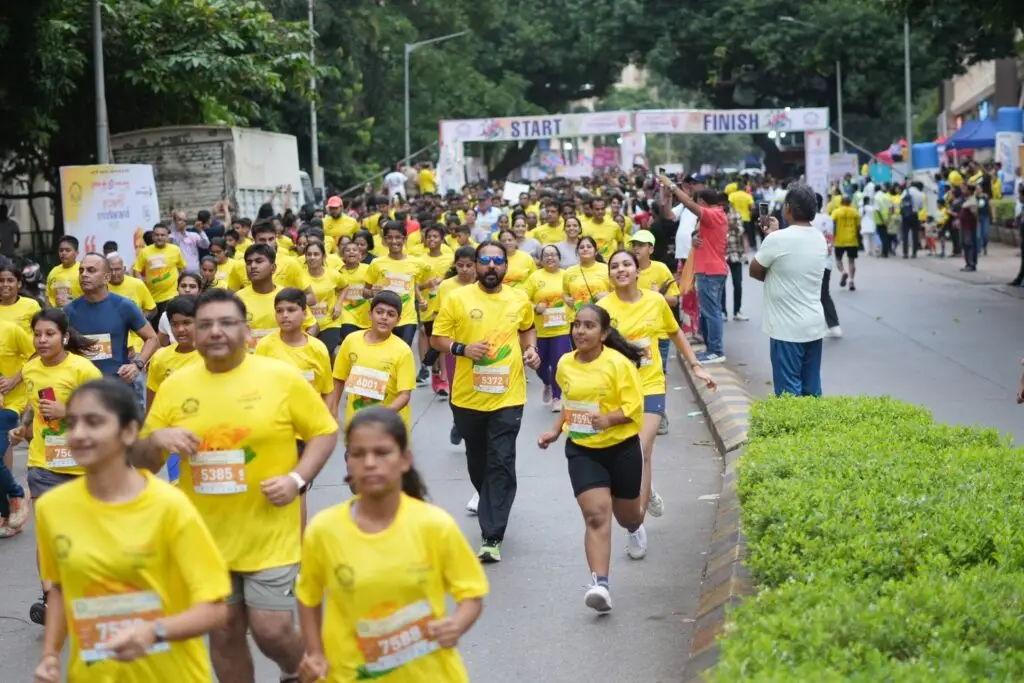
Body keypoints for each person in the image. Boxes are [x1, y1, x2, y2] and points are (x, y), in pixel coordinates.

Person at [132, 287, 340, 683]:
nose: (215, 332)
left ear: (247, 331)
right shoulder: (177, 385)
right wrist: (156, 441)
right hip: (206, 539)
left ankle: (305, 672)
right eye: (205, 324)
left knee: (272, 630)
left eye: (227, 323)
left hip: (270, 533)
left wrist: (298, 478)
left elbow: (324, 432)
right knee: (224, 632)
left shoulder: (280, 378)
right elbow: (144, 461)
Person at [32, 379, 230, 683]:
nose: (79, 434)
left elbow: (215, 609)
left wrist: (154, 631)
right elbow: (58, 588)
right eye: (72, 423)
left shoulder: (171, 507)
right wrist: (49, 656)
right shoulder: (51, 509)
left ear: (129, 432)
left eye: (94, 422)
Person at [296, 407, 487, 683]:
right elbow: (308, 596)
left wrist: (455, 626)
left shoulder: (434, 526)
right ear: (348, 462)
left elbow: (471, 596)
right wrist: (314, 653)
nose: (370, 463)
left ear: (405, 459)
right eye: (358, 454)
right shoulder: (324, 531)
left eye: (382, 452)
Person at [431, 241, 541, 563]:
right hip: (467, 397)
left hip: (509, 396)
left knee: (502, 459)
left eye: (498, 261)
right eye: (485, 261)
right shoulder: (456, 298)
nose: (491, 266)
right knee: (479, 462)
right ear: (475, 265)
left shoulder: (519, 299)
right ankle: (490, 496)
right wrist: (461, 350)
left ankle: (492, 534)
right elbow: (438, 337)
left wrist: (531, 350)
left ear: (506, 265)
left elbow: (528, 329)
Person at [537, 305, 645, 612]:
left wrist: (608, 420)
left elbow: (633, 409)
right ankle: (601, 585)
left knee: (628, 516)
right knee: (596, 515)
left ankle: (636, 528)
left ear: (604, 334)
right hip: (583, 449)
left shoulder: (619, 364)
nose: (580, 331)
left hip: (621, 448)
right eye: (576, 325)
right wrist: (556, 430)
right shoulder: (564, 363)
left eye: (589, 326)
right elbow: (570, 403)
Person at [599, 249, 715, 528]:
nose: (621, 269)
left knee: (641, 449)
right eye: (615, 266)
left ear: (638, 271)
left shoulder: (656, 302)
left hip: (650, 385)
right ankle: (644, 490)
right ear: (610, 275)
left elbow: (674, 331)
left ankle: (636, 523)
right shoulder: (603, 308)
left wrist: (696, 364)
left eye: (627, 264)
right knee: (622, 453)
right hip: (617, 391)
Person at [13, 308, 103, 623]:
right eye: (37, 334)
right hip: (44, 464)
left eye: (49, 334)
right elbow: (29, 405)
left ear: (64, 336)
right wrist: (22, 426)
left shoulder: (83, 370)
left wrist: (68, 410)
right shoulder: (32, 368)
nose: (42, 340)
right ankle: (51, 598)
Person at [749, 183, 827, 397]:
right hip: (813, 324)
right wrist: (774, 234)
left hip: (787, 329)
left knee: (789, 394)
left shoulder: (777, 239)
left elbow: (755, 270)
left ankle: (794, 431)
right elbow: (792, 261)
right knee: (812, 389)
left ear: (789, 209)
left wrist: (772, 235)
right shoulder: (819, 238)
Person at [661, 176, 728, 364]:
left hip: (710, 271)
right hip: (710, 270)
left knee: (712, 311)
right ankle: (711, 349)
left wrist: (672, 186)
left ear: (702, 203)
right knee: (708, 311)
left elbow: (689, 204)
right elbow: (699, 235)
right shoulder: (716, 216)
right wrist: (693, 238)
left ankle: (716, 351)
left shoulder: (712, 214)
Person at [66, 252, 161, 383]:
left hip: (117, 384)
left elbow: (152, 338)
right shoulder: (69, 310)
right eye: (81, 270)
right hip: (83, 386)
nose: (84, 275)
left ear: (106, 278)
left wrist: (137, 365)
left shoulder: (124, 306)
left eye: (91, 270)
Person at [329, 291, 416, 433]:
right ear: (370, 314)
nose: (384, 318)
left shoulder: (403, 351)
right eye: (379, 312)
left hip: (389, 429)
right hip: (357, 426)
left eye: (391, 314)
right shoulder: (352, 341)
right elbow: (338, 378)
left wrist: (384, 415)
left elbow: (405, 395)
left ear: (398, 320)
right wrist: (332, 410)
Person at [236, 244, 318, 352]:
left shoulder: (287, 295)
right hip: (251, 363)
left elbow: (313, 325)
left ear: (273, 268)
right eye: (249, 262)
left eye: (259, 261)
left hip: (284, 361)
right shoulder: (236, 300)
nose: (253, 266)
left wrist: (301, 347)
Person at [435, 246, 477, 447]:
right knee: (456, 389)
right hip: (454, 346)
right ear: (454, 265)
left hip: (480, 344)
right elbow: (440, 318)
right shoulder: (446, 286)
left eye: (469, 265)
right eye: (461, 265)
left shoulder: (483, 284)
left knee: (479, 387)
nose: (465, 270)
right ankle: (458, 422)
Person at [363, 221, 428, 348]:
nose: (394, 241)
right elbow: (365, 292)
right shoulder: (377, 263)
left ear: (405, 239)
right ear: (385, 240)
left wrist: (421, 300)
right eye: (390, 237)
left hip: (408, 319)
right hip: (384, 319)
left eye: (398, 237)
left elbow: (412, 284)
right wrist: (372, 293)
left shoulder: (417, 263)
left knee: (402, 352)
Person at [525, 245, 571, 412]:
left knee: (558, 363)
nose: (550, 258)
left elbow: (575, 296)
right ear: (540, 259)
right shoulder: (534, 277)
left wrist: (572, 302)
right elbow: (524, 300)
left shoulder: (567, 275)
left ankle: (557, 397)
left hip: (562, 329)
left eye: (554, 254)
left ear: (559, 258)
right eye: (546, 255)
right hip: (540, 330)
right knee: (539, 365)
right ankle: (548, 383)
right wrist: (535, 307)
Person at [0, 319, 34, 537]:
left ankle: (16, 493)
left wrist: (14, 379)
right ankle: (5, 514)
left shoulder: (9, 329)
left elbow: (35, 355)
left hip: (9, 404)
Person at [134, 223, 187, 318]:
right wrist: (142, 283)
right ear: (153, 236)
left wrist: (176, 280)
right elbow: (136, 270)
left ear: (167, 237)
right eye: (157, 235)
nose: (160, 237)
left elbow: (181, 267)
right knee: (156, 326)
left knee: (168, 322)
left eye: (163, 235)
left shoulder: (175, 250)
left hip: (171, 295)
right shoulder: (145, 252)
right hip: (152, 297)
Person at [302, 241, 345, 358]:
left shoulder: (333, 275)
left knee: (325, 354)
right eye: (309, 254)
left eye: (316, 254)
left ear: (323, 257)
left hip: (330, 323)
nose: (312, 257)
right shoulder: (300, 276)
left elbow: (345, 286)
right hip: (308, 325)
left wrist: (339, 304)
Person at [812, 194, 842, 338]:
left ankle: (821, 326)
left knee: (812, 295)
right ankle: (833, 325)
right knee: (823, 294)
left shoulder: (810, 221)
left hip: (813, 262)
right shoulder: (828, 219)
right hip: (827, 261)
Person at [563, 236, 610, 313]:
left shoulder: (606, 269)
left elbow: (617, 293)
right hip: (577, 316)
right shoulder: (568, 272)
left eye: (589, 247)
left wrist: (608, 296)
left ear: (596, 251)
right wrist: (566, 299)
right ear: (577, 251)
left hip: (602, 315)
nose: (585, 249)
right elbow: (565, 293)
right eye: (581, 247)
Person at [0, 261, 42, 334]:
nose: (5, 284)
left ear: (19, 284)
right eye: (1, 281)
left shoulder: (31, 305)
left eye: (10, 281)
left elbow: (42, 333)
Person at [831, 196, 860, 291]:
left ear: (841, 202)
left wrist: (833, 237)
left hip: (839, 240)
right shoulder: (855, 212)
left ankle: (843, 272)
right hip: (852, 240)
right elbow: (858, 226)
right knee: (851, 261)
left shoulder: (836, 212)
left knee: (838, 259)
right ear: (850, 203)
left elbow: (832, 225)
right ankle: (851, 280)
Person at [46, 236, 82, 307]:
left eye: (68, 250)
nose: (63, 253)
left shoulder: (83, 270)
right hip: (58, 316)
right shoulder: (53, 272)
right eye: (61, 250)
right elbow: (48, 296)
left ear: (77, 253)